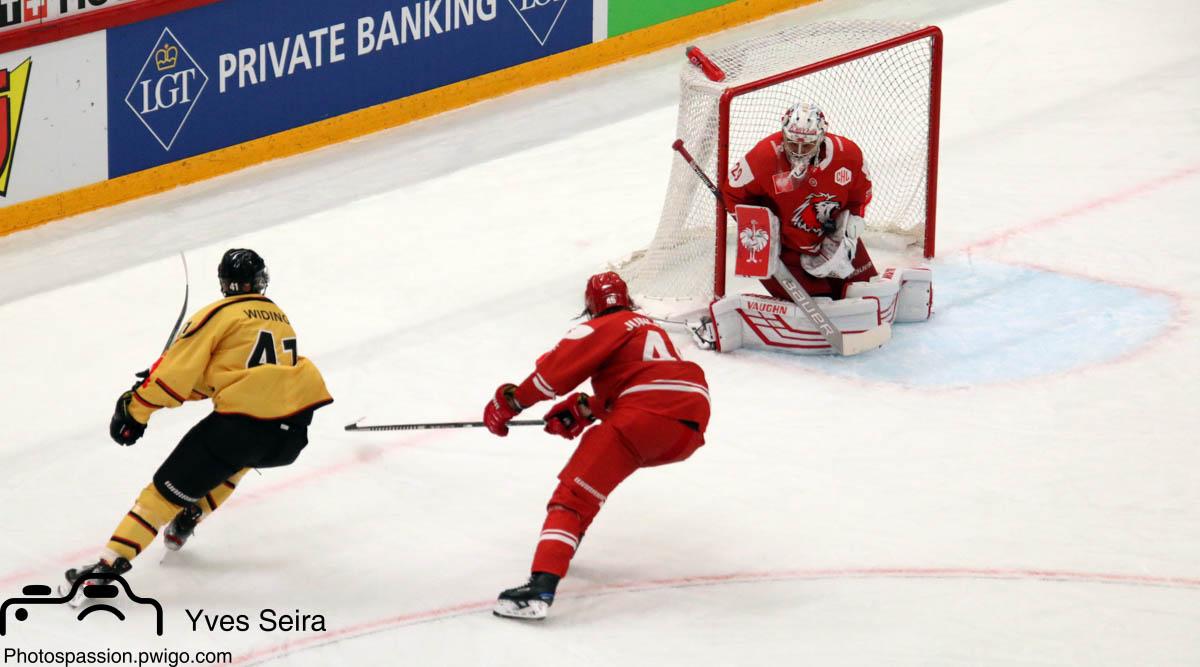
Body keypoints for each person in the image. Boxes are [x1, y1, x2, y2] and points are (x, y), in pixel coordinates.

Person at [61, 249, 333, 598]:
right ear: (260, 280)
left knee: (160, 496)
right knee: (235, 462)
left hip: (241, 428)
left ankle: (104, 570)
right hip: (289, 434)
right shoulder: (280, 318)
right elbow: (224, 378)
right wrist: (164, 386)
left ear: (224, 281)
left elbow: (175, 376)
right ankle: (193, 511)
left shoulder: (219, 314)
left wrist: (136, 408)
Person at [482, 271, 711, 620]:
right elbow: (647, 381)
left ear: (590, 308)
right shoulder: (649, 328)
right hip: (688, 426)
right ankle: (564, 545)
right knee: (593, 482)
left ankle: (539, 589)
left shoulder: (604, 326)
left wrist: (511, 402)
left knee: (574, 495)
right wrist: (586, 409)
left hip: (644, 417)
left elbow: (553, 375)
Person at [721, 101, 877, 300]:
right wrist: (761, 228)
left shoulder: (848, 156)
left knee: (868, 291)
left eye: (808, 144)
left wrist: (851, 223)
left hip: (831, 239)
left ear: (821, 137)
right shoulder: (763, 157)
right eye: (793, 143)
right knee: (820, 303)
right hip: (785, 250)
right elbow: (732, 193)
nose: (799, 151)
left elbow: (859, 195)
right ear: (783, 134)